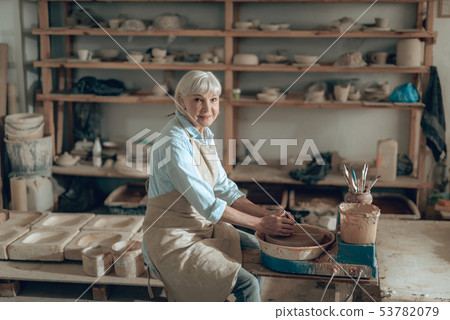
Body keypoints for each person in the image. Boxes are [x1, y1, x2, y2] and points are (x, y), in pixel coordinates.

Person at [142, 70, 295, 302]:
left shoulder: (203, 134)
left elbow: (225, 188)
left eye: (213, 100)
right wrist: (261, 223)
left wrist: (269, 215)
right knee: (247, 283)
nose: (207, 108)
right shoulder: (174, 142)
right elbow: (209, 205)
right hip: (173, 237)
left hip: (201, 227)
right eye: (197, 99)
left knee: (256, 245)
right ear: (181, 100)